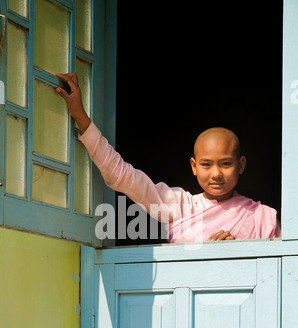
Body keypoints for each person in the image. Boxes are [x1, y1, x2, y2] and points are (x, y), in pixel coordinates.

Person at [56, 72, 281, 243]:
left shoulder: (262, 217)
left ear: (241, 164)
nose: (216, 174)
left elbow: (278, 275)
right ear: (193, 166)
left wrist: (238, 253)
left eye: (226, 164)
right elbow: (122, 176)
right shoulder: (180, 204)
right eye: (206, 164)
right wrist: (81, 117)